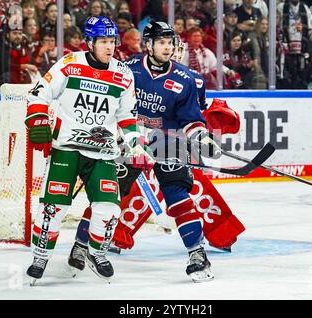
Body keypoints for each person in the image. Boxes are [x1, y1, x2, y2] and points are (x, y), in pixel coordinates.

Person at [69, 21, 221, 283]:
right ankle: (82, 244)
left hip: (168, 141)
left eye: (170, 42)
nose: (167, 47)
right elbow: (112, 107)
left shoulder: (186, 79)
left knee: (177, 194)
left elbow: (191, 119)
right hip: (132, 139)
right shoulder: (127, 71)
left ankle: (197, 254)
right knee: (108, 190)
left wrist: (200, 136)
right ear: (149, 45)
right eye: (161, 42)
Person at [25, 15, 153, 283]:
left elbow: (127, 117)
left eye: (112, 42)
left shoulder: (123, 74)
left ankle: (97, 253)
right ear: (90, 42)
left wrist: (136, 146)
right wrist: (38, 119)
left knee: (108, 208)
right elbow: (40, 93)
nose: (110, 47)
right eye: (103, 42)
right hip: (66, 149)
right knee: (53, 207)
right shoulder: (70, 64)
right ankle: (40, 255)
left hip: (103, 153)